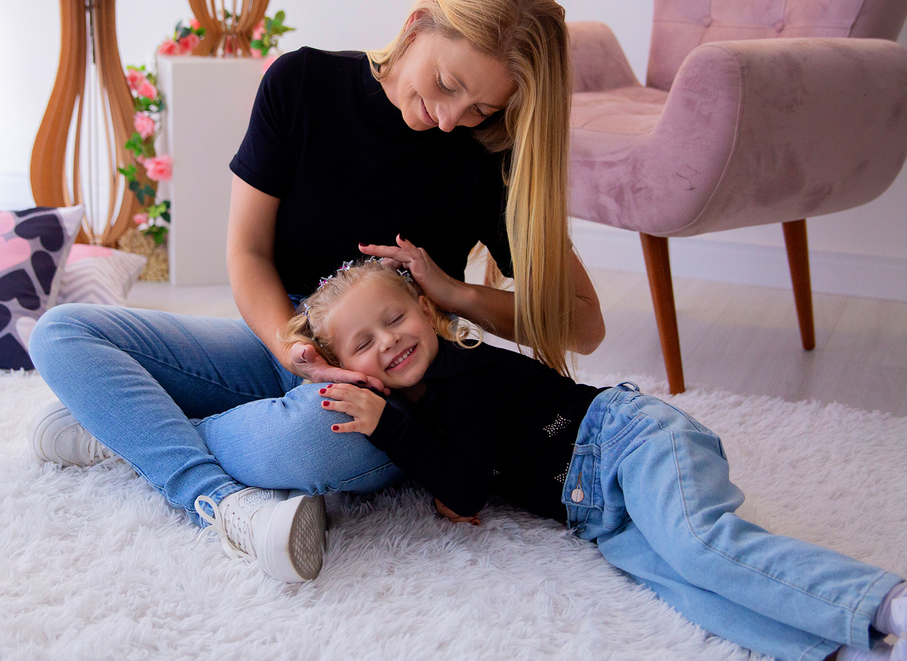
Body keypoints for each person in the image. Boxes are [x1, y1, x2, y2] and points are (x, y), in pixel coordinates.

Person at [27, 0, 606, 583]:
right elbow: (247, 252)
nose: (448, 118)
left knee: (314, 439)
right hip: (284, 334)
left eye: (481, 108)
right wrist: (290, 345)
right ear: (417, 25)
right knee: (62, 334)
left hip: (385, 382)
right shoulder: (302, 83)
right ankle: (218, 495)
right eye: (446, 84)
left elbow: (583, 324)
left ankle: (130, 429)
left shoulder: (490, 152)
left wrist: (452, 292)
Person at [280, 258, 907, 661]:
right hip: (598, 513)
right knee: (680, 584)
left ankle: (885, 603)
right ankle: (838, 645)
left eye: (396, 318)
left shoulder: (466, 376)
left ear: (430, 313)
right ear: (343, 363)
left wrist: (392, 429)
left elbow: (464, 489)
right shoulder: (417, 408)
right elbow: (453, 475)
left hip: (626, 441)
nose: (388, 340)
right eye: (363, 343)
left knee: (697, 542)